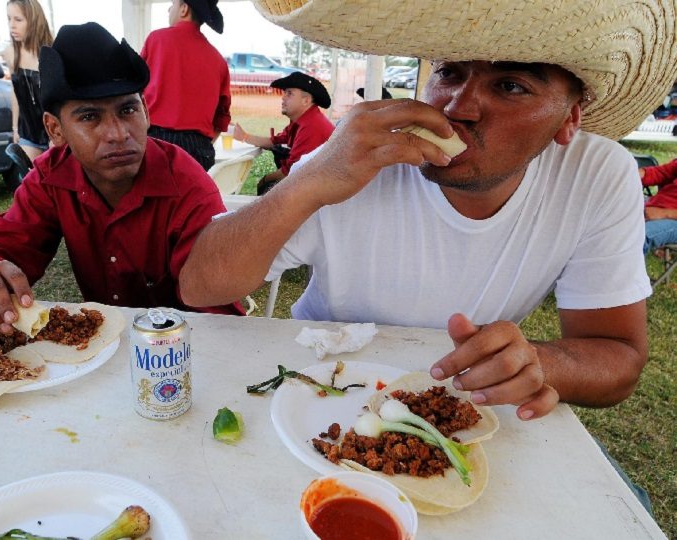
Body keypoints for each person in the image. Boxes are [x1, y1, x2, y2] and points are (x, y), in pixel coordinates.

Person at [180, 0, 677, 425]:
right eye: (450, 72)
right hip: (316, 386)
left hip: (456, 403)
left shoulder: (594, 174)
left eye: (510, 86)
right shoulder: (358, 157)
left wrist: (541, 363)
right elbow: (201, 285)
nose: (459, 107)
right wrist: (308, 182)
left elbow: (619, 355)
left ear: (569, 119)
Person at [0, 22, 243, 334]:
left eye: (128, 110)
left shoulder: (186, 185)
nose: (117, 134)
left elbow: (220, 316)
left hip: (182, 352)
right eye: (90, 117)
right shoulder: (51, 177)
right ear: (55, 129)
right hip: (103, 348)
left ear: (146, 112)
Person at [140, 0, 230, 171]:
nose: (169, 9)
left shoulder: (157, 39)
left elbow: (135, 88)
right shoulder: (218, 60)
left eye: (173, 3)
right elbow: (222, 118)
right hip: (199, 148)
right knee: (192, 198)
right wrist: (199, 143)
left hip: (156, 140)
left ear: (183, 9)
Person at [233, 72, 334, 195]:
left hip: (317, 190)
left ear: (306, 101)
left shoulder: (312, 126)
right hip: (308, 182)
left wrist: (264, 180)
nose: (283, 97)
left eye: (289, 93)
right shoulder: (302, 120)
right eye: (285, 93)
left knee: (268, 188)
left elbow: (291, 171)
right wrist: (244, 136)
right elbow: (275, 142)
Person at [3, 0, 54, 161]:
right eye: (9, 19)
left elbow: (61, 97)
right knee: (30, 179)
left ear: (33, 20)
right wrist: (15, 128)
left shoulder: (51, 51)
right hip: (28, 133)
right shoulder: (10, 53)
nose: (12, 25)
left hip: (55, 130)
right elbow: (15, 91)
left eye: (18, 19)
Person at [640, 158, 677, 253]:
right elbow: (663, 172)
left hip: (672, 218)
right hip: (655, 206)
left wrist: (664, 213)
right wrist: (636, 174)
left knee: (636, 237)